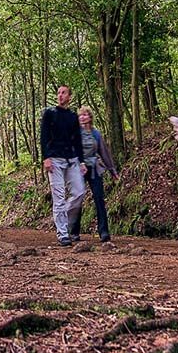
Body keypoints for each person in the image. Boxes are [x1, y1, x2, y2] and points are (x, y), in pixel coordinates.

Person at [40, 84, 86, 246]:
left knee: (79, 192)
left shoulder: (73, 116)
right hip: (54, 160)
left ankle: (62, 215)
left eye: (64, 93)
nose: (60, 95)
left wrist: (81, 161)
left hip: (72, 159)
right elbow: (44, 136)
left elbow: (77, 140)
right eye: (58, 93)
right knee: (58, 197)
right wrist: (46, 157)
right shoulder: (49, 114)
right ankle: (63, 234)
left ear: (69, 97)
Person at [69, 106, 119, 243]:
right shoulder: (75, 133)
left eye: (85, 115)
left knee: (99, 199)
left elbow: (104, 152)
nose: (83, 117)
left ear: (90, 117)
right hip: (78, 168)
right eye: (80, 115)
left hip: (94, 168)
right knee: (78, 198)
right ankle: (73, 232)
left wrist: (112, 170)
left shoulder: (96, 134)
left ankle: (104, 232)